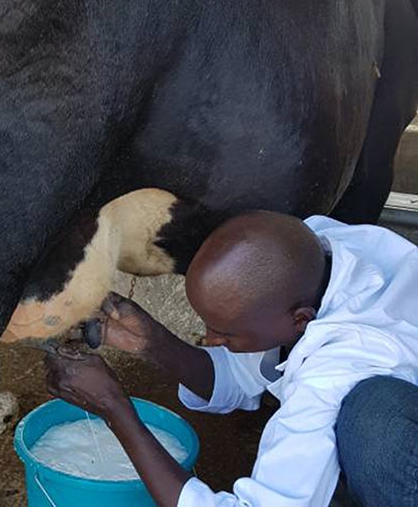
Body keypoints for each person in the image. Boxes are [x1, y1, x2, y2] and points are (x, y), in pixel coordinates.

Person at [44, 212, 418, 506]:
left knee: (371, 428)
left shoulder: (342, 368)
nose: (210, 339)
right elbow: (242, 376)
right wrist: (152, 342)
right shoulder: (314, 256)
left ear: (301, 319)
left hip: (398, 438)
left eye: (226, 334)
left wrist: (114, 409)